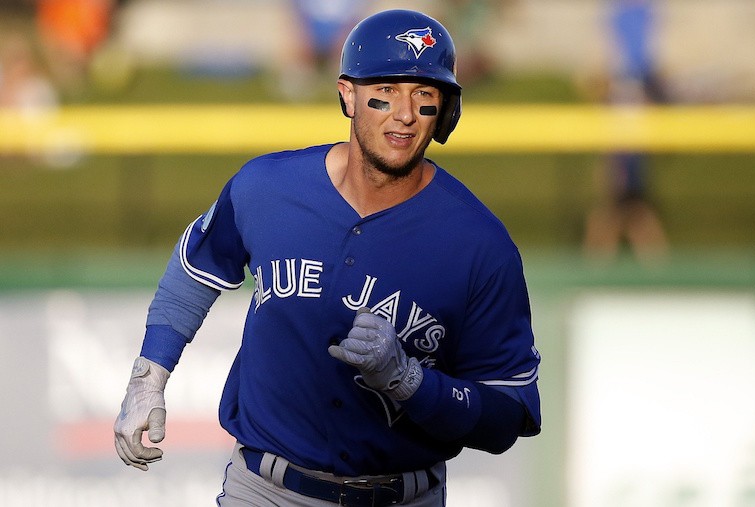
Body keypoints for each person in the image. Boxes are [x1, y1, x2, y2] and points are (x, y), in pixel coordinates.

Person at [113, 9, 541, 507]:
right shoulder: (268, 187)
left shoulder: (480, 244)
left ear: (446, 111)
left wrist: (412, 383)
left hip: (403, 495)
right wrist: (148, 377)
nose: (404, 113)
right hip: (265, 491)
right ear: (347, 94)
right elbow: (196, 267)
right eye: (386, 89)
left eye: (424, 95)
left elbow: (508, 414)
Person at [583, 0, 668, 264]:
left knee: (626, 209)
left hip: (629, 148)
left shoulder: (636, 72)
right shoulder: (622, 69)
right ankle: (597, 268)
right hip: (622, 147)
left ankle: (595, 269)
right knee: (624, 209)